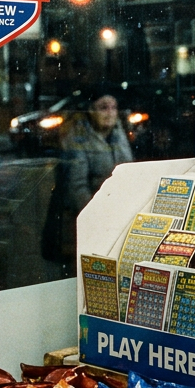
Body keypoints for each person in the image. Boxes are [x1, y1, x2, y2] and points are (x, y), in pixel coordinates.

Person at [46, 93, 134, 264]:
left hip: (117, 217)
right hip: (91, 219)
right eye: (103, 108)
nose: (110, 113)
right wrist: (97, 217)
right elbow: (77, 187)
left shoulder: (118, 134)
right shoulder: (77, 138)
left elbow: (129, 173)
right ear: (91, 111)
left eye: (113, 108)